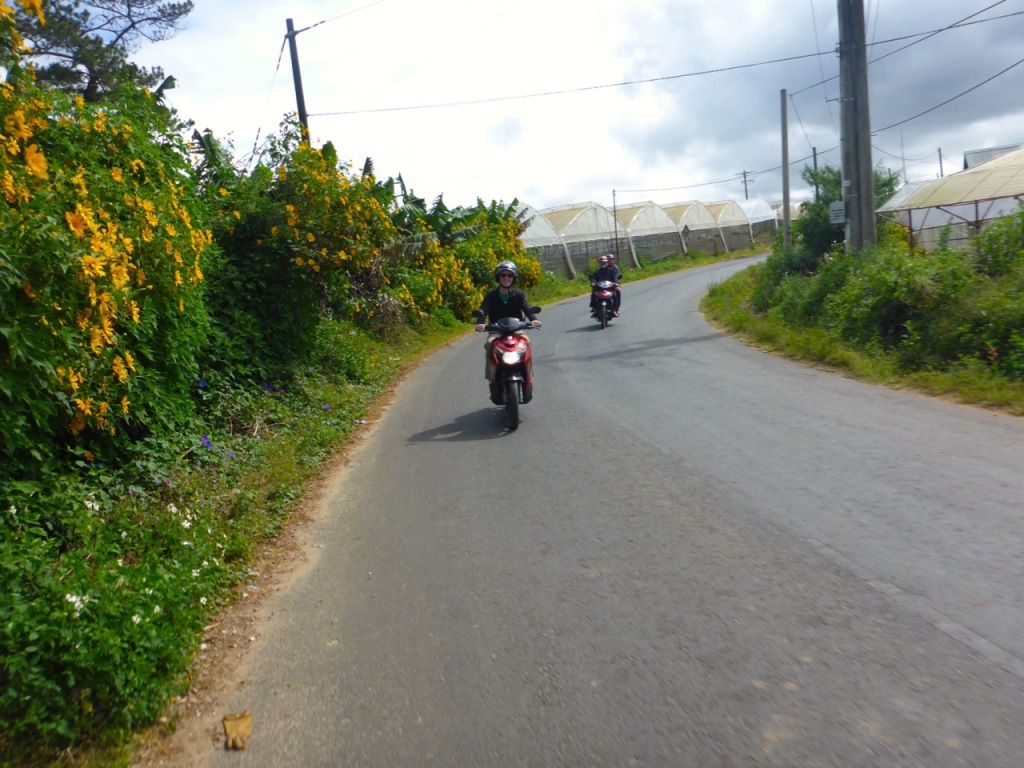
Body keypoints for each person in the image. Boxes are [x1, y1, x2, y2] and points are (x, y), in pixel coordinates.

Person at [475, 260, 541, 403]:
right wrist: (480, 323)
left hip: (517, 330)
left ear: (513, 278)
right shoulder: (491, 296)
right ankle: (492, 380)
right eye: (503, 275)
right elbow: (483, 310)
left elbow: (527, 308)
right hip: (496, 331)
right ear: (498, 277)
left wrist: (534, 320)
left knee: (527, 343)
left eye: (509, 276)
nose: (506, 278)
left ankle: (529, 378)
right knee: (489, 345)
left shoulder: (518, 294)